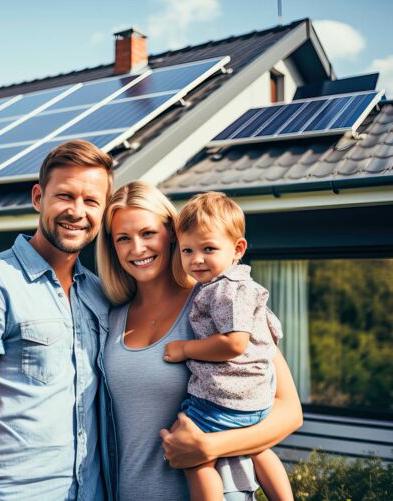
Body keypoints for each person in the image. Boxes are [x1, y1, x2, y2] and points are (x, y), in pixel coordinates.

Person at [96, 181, 303, 501]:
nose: (137, 248)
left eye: (148, 233)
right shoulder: (109, 320)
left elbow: (289, 411)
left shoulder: (221, 303)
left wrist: (210, 447)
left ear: (173, 234)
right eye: (123, 238)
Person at [0, 140, 113, 500]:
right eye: (65, 196)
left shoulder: (100, 294)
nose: (77, 211)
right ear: (37, 197)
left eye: (91, 201)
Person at [162, 192, 292, 500]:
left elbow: (234, 343)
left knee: (195, 457)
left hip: (222, 399)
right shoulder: (245, 286)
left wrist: (184, 349)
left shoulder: (224, 290)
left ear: (238, 249)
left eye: (208, 248)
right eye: (187, 250)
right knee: (258, 448)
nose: (196, 259)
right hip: (255, 401)